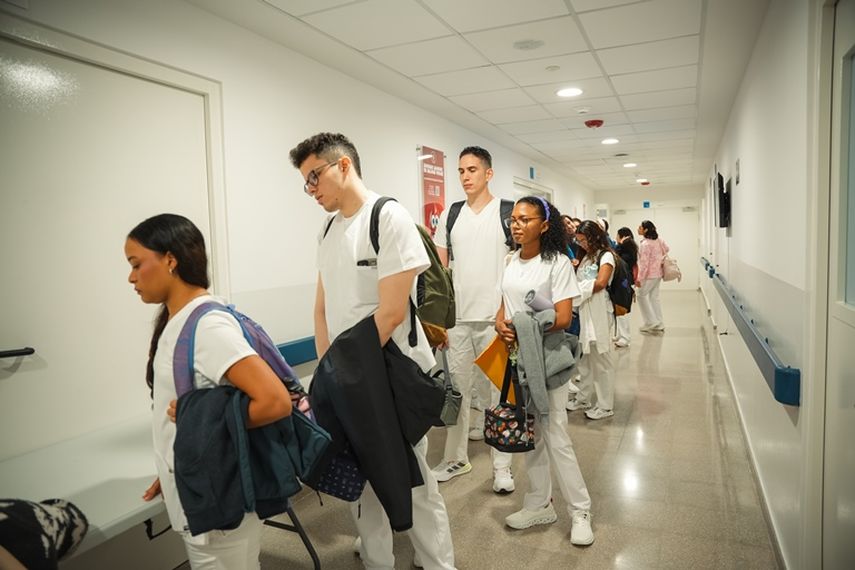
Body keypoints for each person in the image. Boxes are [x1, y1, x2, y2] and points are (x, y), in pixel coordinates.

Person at [289, 132, 455, 570]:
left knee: (412, 477)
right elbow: (323, 307)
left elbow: (391, 313)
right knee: (359, 480)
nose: (311, 190)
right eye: (305, 182)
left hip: (389, 372)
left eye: (314, 177)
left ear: (343, 165)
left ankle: (438, 563)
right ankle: (378, 560)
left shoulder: (388, 218)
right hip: (346, 374)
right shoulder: (327, 228)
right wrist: (327, 370)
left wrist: (340, 373)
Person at [127, 213, 292, 569]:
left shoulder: (208, 327)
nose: (131, 277)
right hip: (207, 486)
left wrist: (198, 422)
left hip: (218, 501)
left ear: (170, 260)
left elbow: (275, 402)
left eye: (137, 264)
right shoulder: (182, 321)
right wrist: (176, 459)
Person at [494, 196, 594, 546]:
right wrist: (500, 325)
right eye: (513, 220)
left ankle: (580, 510)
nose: (516, 225)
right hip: (517, 358)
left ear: (545, 225)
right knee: (530, 435)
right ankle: (539, 504)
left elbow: (564, 318)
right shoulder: (509, 260)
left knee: (555, 436)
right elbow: (503, 305)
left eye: (525, 219)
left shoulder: (557, 263)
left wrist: (520, 326)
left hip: (548, 361)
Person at [430, 146, 514, 494]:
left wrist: (505, 312)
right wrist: (438, 320)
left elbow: (518, 268)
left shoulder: (506, 213)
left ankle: (501, 466)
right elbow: (439, 270)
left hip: (495, 320)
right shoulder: (452, 216)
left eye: (473, 170)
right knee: (458, 392)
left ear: (488, 173)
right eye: (461, 171)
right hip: (459, 321)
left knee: (498, 395)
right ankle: (456, 458)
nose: (465, 177)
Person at [566, 220, 616, 420]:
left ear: (594, 237)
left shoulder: (606, 257)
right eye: (579, 241)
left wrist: (578, 290)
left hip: (599, 314)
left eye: (584, 240)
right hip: (584, 313)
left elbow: (601, 282)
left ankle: (605, 405)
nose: (582, 244)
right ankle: (584, 397)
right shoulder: (586, 257)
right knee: (585, 360)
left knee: (601, 360)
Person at [636, 220, 669, 332]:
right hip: (658, 273)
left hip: (649, 275)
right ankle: (659, 323)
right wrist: (659, 259)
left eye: (640, 227)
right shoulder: (659, 240)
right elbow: (667, 249)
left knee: (640, 295)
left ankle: (651, 322)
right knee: (654, 298)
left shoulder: (645, 244)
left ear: (645, 230)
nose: (638, 228)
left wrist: (639, 278)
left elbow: (644, 264)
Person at [613, 227, 638, 348]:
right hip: (625, 282)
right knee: (620, 310)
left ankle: (625, 337)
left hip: (624, 283)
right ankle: (620, 334)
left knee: (622, 311)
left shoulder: (626, 248)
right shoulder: (630, 247)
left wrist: (619, 245)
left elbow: (617, 258)